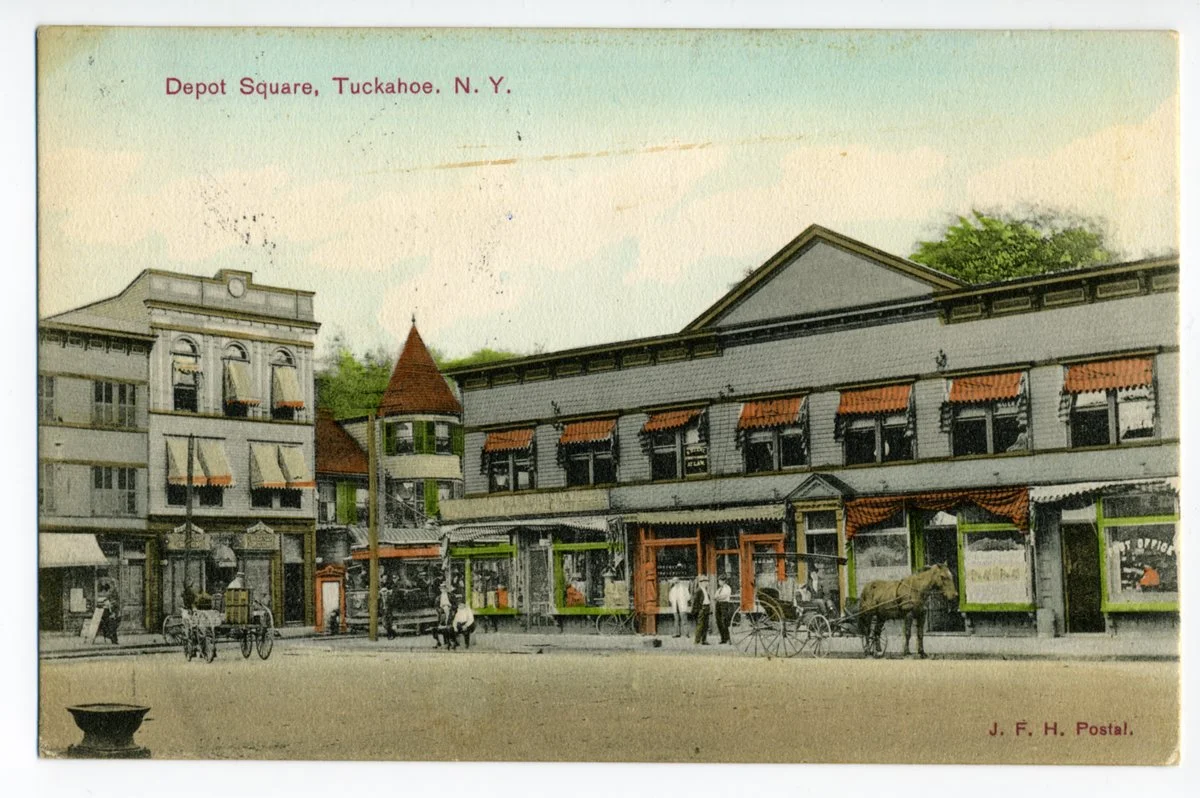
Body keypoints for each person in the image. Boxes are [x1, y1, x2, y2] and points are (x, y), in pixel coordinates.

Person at [433, 582, 453, 648]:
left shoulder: (451, 596)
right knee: (435, 629)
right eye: (442, 589)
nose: (443, 590)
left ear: (446, 589)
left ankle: (450, 641)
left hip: (450, 610)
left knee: (448, 626)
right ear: (440, 590)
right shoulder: (438, 598)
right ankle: (439, 642)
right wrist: (440, 610)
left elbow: (455, 605)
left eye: (444, 588)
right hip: (442, 612)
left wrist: (450, 607)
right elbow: (436, 607)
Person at [714, 576, 733, 644]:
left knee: (724, 621)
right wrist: (718, 597)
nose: (719, 582)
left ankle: (728, 638)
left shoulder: (727, 588)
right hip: (718, 605)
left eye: (720, 581)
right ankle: (723, 638)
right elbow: (715, 596)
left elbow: (725, 596)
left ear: (723, 581)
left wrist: (718, 597)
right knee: (718, 621)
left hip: (724, 604)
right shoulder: (719, 589)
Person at [692, 577, 711, 645]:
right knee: (700, 625)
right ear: (701, 583)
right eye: (705, 582)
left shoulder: (705, 590)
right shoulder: (698, 590)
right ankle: (697, 641)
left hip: (706, 608)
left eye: (706, 582)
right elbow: (695, 602)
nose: (706, 583)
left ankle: (704, 640)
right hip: (702, 609)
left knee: (705, 625)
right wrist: (697, 610)